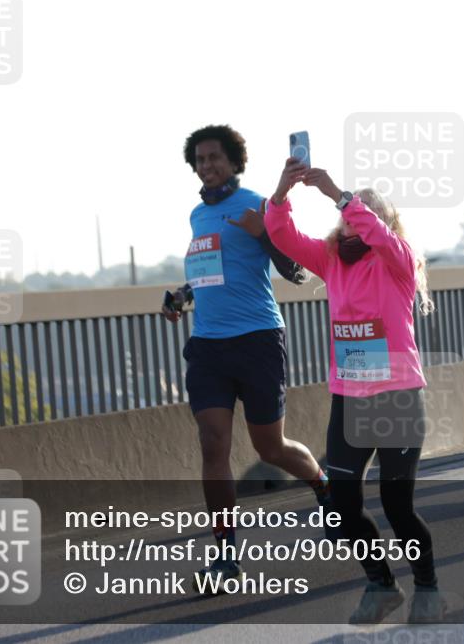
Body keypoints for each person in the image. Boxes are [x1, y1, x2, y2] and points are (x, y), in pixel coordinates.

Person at [264, 159, 442, 624]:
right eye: (347, 215)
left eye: (363, 212)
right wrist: (282, 192)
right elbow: (281, 236)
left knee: (397, 507)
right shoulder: (329, 260)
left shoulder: (398, 260)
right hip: (349, 400)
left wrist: (341, 194)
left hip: (398, 396)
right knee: (341, 507)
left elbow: (381, 236)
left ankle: (427, 588)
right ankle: (381, 584)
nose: (351, 219)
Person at [161, 125, 328, 589]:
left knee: (269, 448)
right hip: (209, 345)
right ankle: (226, 554)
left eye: (215, 157)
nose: (207, 165)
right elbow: (212, 274)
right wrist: (182, 294)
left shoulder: (258, 202)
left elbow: (294, 270)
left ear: (234, 162)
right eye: (199, 159)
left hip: (257, 338)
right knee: (212, 443)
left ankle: (321, 482)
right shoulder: (197, 215)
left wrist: (266, 234)